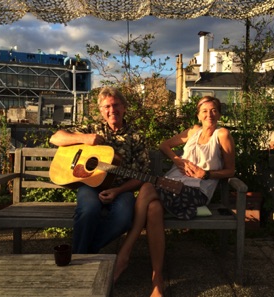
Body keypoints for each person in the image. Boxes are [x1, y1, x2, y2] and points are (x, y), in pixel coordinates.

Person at [113, 96, 236, 297]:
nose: (209, 115)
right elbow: (164, 145)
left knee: (146, 188)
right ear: (198, 114)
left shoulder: (222, 135)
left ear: (220, 114)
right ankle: (157, 280)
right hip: (171, 185)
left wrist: (207, 174)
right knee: (153, 209)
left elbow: (230, 170)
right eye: (205, 111)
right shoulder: (192, 132)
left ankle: (125, 253)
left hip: (196, 192)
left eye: (214, 110)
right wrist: (177, 160)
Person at [49, 86, 149, 253]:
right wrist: (85, 138)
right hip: (90, 186)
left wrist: (118, 190)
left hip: (122, 189)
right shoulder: (92, 129)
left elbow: (142, 175)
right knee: (89, 210)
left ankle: (82, 253)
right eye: (107, 107)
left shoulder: (137, 137)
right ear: (101, 111)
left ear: (124, 107)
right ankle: (83, 255)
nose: (112, 110)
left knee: (124, 218)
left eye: (116, 105)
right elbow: (55, 138)